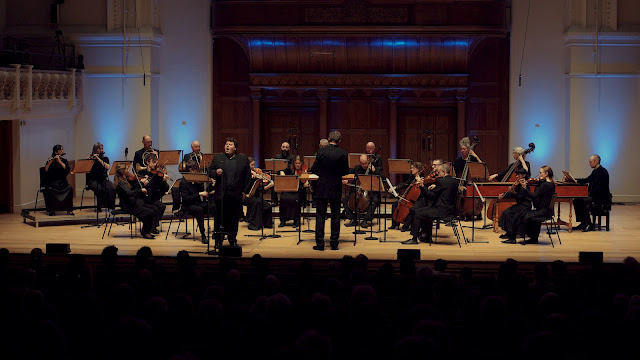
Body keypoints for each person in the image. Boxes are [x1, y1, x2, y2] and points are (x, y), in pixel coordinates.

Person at [208, 137, 251, 249]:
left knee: (233, 218)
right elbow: (209, 171)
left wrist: (245, 191)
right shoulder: (218, 159)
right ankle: (218, 240)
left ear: (235, 147)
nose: (227, 146)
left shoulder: (242, 159)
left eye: (230, 144)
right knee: (219, 219)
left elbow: (248, 176)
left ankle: (232, 240)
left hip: (235, 194)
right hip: (221, 194)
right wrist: (215, 173)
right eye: (226, 144)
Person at [309, 131, 349, 251]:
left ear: (329, 139)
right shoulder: (343, 153)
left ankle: (320, 244)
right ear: (339, 141)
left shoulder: (321, 152)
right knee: (335, 216)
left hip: (322, 187)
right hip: (336, 187)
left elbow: (314, 169)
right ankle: (334, 243)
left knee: (320, 215)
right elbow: (345, 172)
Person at [402, 163, 458, 244]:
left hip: (441, 210)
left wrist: (422, 185)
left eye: (439, 172)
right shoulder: (454, 181)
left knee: (418, 213)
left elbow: (431, 196)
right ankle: (426, 236)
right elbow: (444, 189)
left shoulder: (441, 181)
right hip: (450, 210)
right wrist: (435, 186)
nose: (438, 174)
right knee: (422, 211)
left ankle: (414, 239)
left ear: (443, 172)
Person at [502, 166, 556, 244]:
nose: (539, 175)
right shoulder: (550, 184)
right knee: (522, 214)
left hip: (542, 211)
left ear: (546, 174)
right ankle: (532, 238)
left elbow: (533, 196)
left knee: (521, 215)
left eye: (541, 173)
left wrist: (524, 187)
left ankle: (513, 238)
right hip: (544, 210)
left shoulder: (545, 185)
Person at [113, 163, 158, 239]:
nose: (128, 170)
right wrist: (140, 190)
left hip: (132, 203)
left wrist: (141, 183)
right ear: (122, 171)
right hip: (127, 205)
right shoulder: (121, 182)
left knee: (154, 209)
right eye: (127, 169)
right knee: (149, 212)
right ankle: (145, 231)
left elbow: (133, 189)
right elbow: (129, 193)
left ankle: (147, 229)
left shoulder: (125, 179)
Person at [568, 154, 612, 232]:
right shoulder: (595, 171)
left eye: (591, 162)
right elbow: (587, 179)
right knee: (576, 200)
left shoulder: (602, 172)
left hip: (601, 198)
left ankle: (589, 224)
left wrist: (588, 194)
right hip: (595, 195)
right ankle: (583, 222)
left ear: (596, 161)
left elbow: (600, 188)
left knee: (582, 200)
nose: (590, 163)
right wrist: (574, 180)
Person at [179, 160, 216, 244]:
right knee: (199, 210)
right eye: (196, 170)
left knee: (214, 206)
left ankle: (216, 232)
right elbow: (186, 199)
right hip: (188, 207)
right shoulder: (183, 182)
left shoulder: (196, 180)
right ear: (190, 170)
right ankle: (203, 235)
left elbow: (203, 192)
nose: (197, 172)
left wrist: (210, 188)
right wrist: (199, 194)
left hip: (198, 204)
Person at [341, 154, 381, 228]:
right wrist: (346, 178)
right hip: (357, 192)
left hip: (369, 193)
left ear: (368, 161)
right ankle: (353, 219)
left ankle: (365, 220)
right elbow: (348, 173)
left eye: (365, 163)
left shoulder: (374, 169)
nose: (364, 165)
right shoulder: (357, 168)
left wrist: (375, 171)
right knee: (344, 200)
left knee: (375, 200)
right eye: (362, 164)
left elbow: (382, 178)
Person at [137, 152, 169, 234]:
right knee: (154, 208)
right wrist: (142, 181)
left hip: (153, 198)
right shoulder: (142, 173)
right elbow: (137, 186)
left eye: (156, 162)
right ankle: (151, 226)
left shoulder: (157, 174)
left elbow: (165, 188)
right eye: (153, 162)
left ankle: (153, 225)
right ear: (147, 162)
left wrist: (163, 181)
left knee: (161, 207)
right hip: (144, 198)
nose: (155, 164)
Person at [388, 161, 424, 230]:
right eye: (411, 168)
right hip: (409, 199)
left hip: (417, 199)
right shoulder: (412, 177)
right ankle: (394, 224)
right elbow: (406, 184)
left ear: (418, 169)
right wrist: (396, 187)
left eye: (413, 168)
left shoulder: (422, 178)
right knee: (395, 204)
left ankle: (406, 225)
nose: (411, 169)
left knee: (412, 208)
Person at [497, 169, 532, 239]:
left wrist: (513, 191)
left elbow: (520, 196)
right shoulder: (519, 184)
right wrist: (504, 194)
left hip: (525, 206)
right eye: (517, 175)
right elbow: (513, 194)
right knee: (505, 212)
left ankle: (512, 234)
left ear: (524, 175)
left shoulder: (525, 184)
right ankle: (508, 233)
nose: (517, 176)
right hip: (520, 205)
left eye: (519, 175)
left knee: (510, 214)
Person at [243, 157, 274, 231]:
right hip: (245, 196)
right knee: (257, 202)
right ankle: (253, 224)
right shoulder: (243, 175)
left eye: (254, 165)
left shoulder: (255, 174)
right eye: (252, 165)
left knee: (267, 206)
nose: (254, 167)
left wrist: (265, 185)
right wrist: (252, 178)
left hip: (255, 196)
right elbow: (246, 188)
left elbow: (258, 189)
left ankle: (266, 223)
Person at [279, 155, 310, 227]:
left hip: (299, 192)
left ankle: (296, 221)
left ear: (301, 163)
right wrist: (282, 173)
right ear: (294, 164)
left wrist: (306, 184)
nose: (298, 165)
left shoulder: (304, 171)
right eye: (296, 163)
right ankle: (283, 220)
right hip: (289, 190)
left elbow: (305, 183)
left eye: (299, 163)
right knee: (283, 198)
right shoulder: (290, 170)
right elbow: (280, 171)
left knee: (295, 200)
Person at [43, 144, 74, 216]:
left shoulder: (64, 161)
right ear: (56, 152)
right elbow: (46, 171)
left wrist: (59, 161)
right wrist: (49, 163)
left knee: (69, 188)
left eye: (62, 149)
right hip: (52, 182)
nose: (62, 151)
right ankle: (51, 210)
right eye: (61, 150)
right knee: (49, 189)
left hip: (63, 182)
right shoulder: (51, 160)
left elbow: (67, 170)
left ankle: (69, 210)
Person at [87, 142, 116, 211]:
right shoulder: (91, 159)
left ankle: (111, 207)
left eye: (102, 149)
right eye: (100, 149)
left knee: (111, 187)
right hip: (92, 180)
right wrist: (89, 161)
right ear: (95, 150)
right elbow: (86, 169)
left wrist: (99, 159)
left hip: (103, 179)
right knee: (99, 188)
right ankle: (99, 207)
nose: (101, 150)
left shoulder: (105, 158)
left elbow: (107, 167)